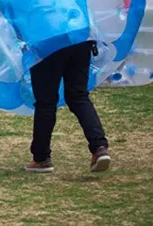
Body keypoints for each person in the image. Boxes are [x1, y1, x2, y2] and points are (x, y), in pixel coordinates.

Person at [26, 39, 110, 174]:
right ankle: (99, 147)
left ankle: (41, 158)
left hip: (47, 41)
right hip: (79, 37)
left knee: (46, 103)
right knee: (79, 97)